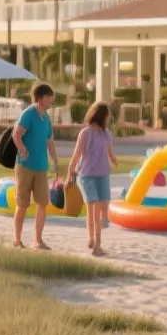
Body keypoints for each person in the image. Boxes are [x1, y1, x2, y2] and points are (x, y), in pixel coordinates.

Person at [62, 100, 119, 257]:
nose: (109, 119)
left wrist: (114, 161)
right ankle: (96, 245)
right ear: (101, 116)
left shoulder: (107, 135)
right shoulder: (85, 134)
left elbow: (110, 153)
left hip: (103, 175)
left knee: (101, 211)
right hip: (86, 176)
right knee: (92, 208)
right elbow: (75, 157)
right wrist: (69, 176)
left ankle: (92, 237)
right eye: (108, 116)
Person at [11, 83, 60, 250]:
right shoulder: (29, 114)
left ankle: (37, 240)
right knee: (22, 204)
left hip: (41, 167)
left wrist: (55, 159)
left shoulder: (46, 118)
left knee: (43, 203)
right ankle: (17, 240)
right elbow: (16, 134)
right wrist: (23, 149)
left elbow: (50, 141)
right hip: (25, 166)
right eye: (48, 97)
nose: (51, 100)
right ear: (40, 98)